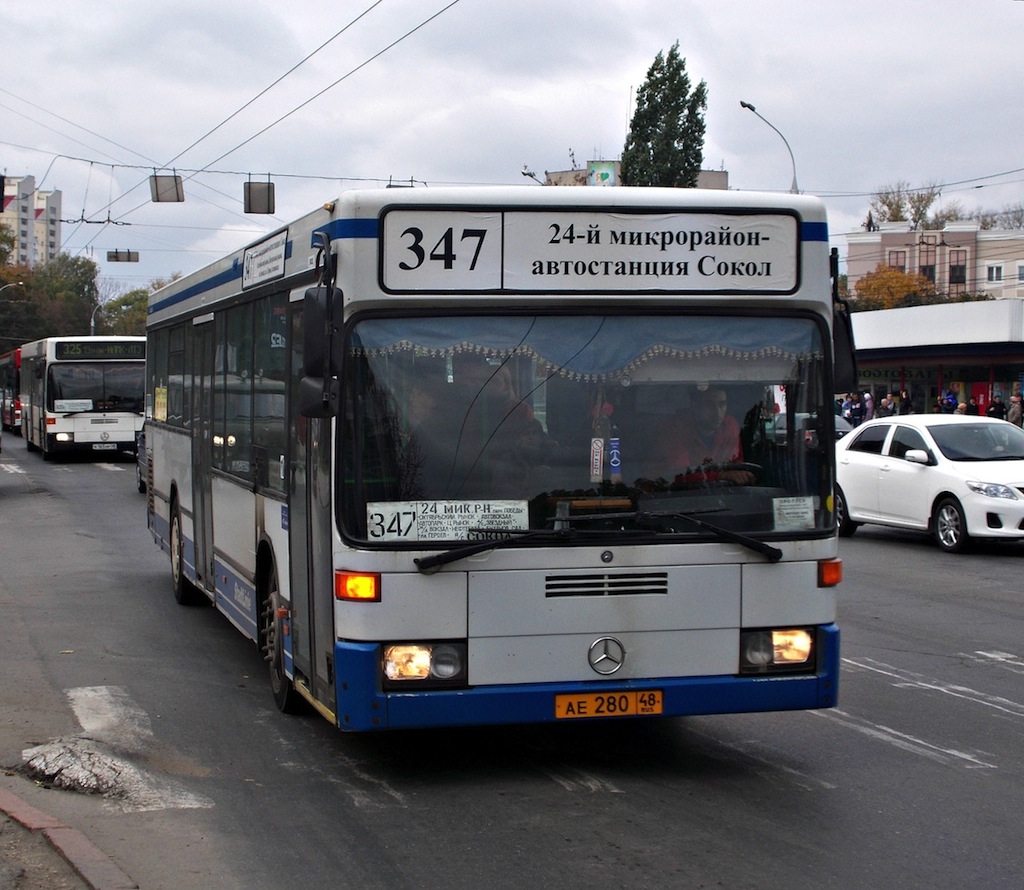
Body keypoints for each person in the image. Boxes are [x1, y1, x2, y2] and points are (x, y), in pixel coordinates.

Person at [657, 385, 754, 484]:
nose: (718, 413)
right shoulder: (675, 428)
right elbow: (679, 474)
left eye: (722, 405)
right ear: (695, 406)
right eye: (709, 405)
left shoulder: (730, 426)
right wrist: (721, 475)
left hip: (719, 493)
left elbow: (736, 466)